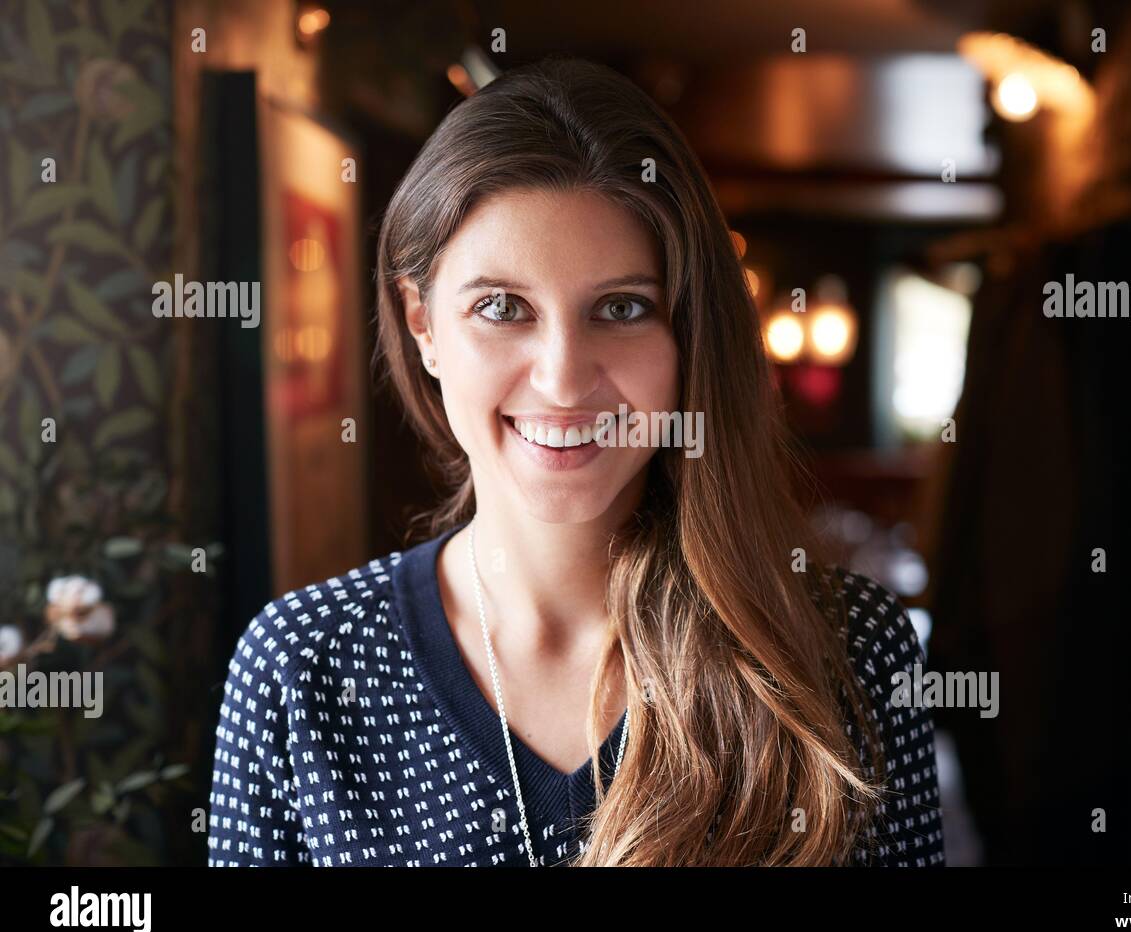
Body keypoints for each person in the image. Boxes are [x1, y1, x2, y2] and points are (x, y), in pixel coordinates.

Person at [207, 56, 944, 867]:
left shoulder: (848, 654)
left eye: (621, 308)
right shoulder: (301, 666)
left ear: (687, 334)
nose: (562, 378)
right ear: (422, 324)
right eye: (501, 308)